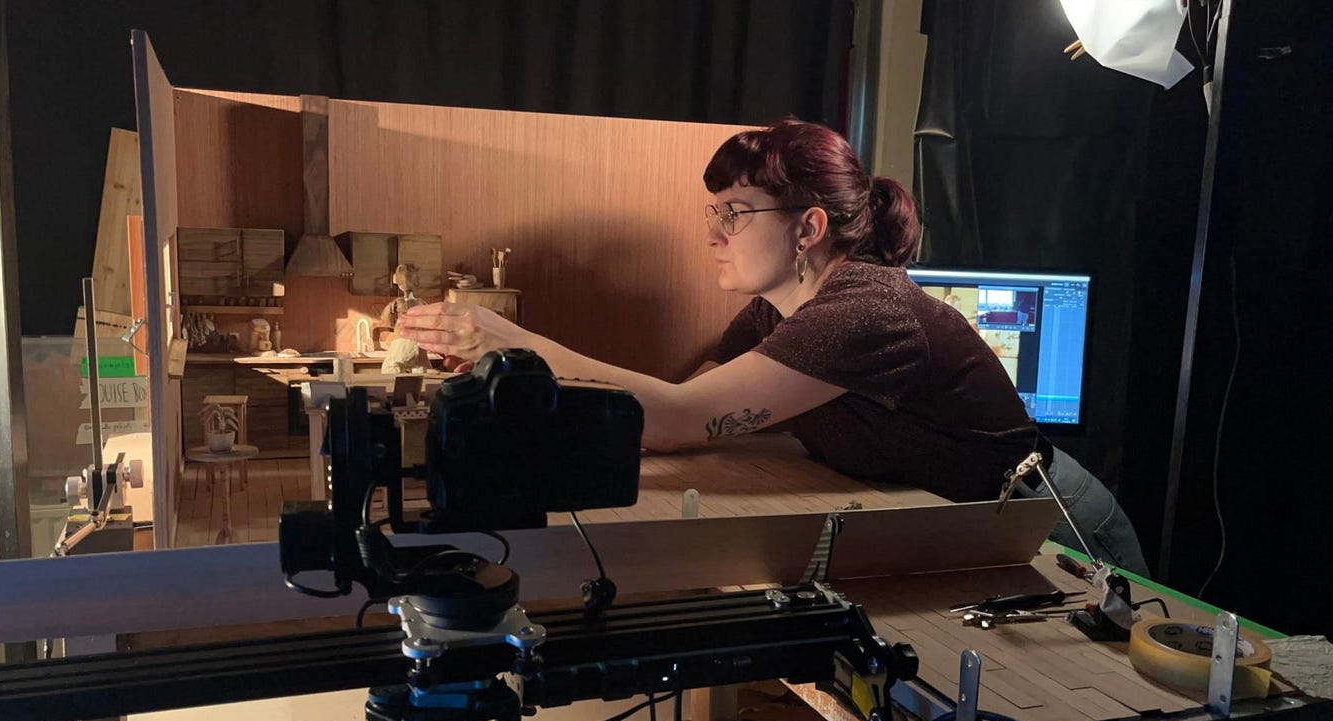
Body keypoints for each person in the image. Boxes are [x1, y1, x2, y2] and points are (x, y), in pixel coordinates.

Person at [396, 118, 1148, 575]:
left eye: (734, 212)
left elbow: (676, 415)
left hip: (1053, 521)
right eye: (712, 212)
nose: (712, 233)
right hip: (965, 517)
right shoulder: (773, 312)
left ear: (808, 228)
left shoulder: (863, 309)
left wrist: (517, 343)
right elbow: (680, 413)